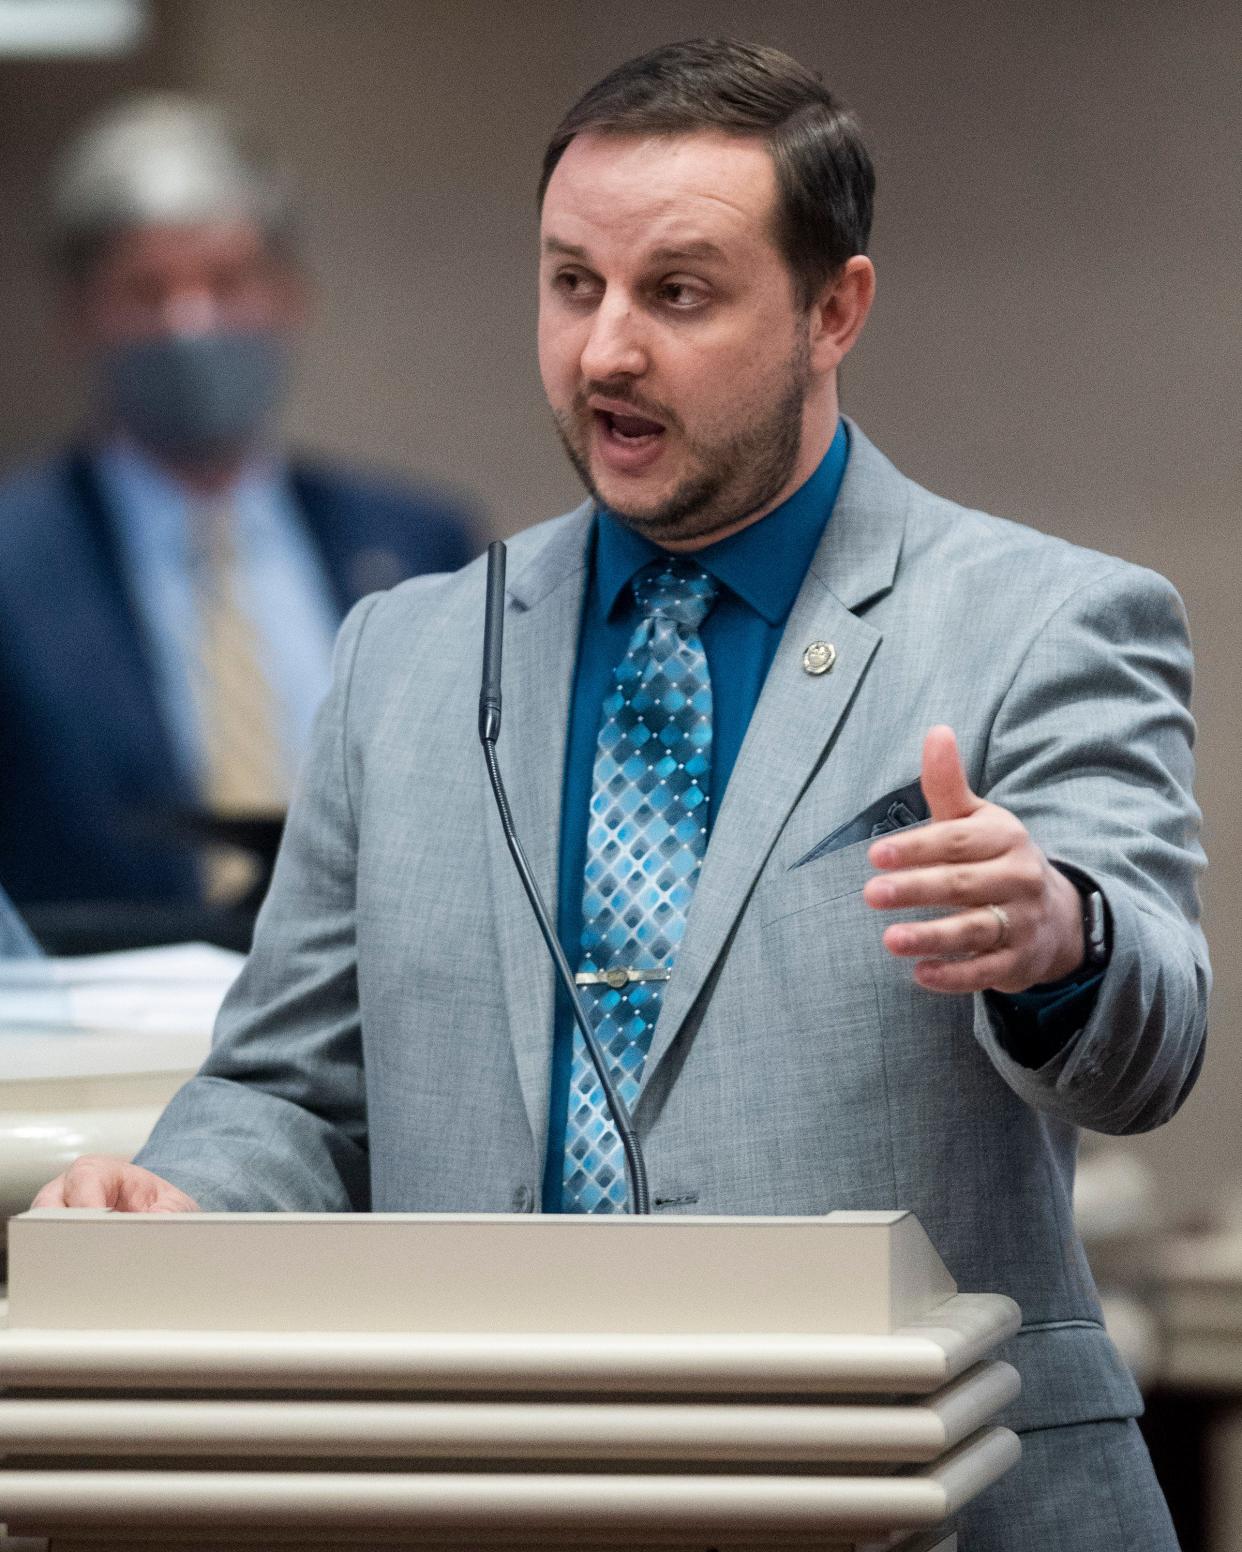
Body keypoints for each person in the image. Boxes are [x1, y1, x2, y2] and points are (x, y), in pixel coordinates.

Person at [36, 41, 1207, 1550]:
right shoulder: (406, 655)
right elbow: (293, 1088)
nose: (602, 353)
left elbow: (1150, 1045)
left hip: (942, 1500)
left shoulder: (1046, 622)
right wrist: (180, 1202)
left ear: (832, 310)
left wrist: (1061, 942)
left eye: (677, 293)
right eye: (571, 284)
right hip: (504, 1490)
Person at [0, 94, 476, 909]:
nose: (194, 323)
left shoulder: (419, 544)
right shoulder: (16, 563)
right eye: (146, 291)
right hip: (97, 1025)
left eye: (227, 280)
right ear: (80, 314)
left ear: (289, 293)